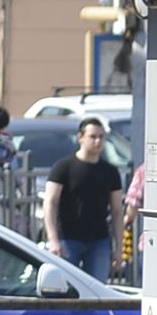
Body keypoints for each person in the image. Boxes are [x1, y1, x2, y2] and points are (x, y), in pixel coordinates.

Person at [42, 117, 125, 280]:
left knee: (97, 291)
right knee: (66, 290)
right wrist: (53, 239)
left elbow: (116, 210)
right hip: (68, 239)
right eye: (93, 136)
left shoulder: (110, 171)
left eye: (101, 137)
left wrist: (119, 248)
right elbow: (50, 203)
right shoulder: (63, 167)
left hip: (99, 240)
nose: (98, 141)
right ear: (80, 137)